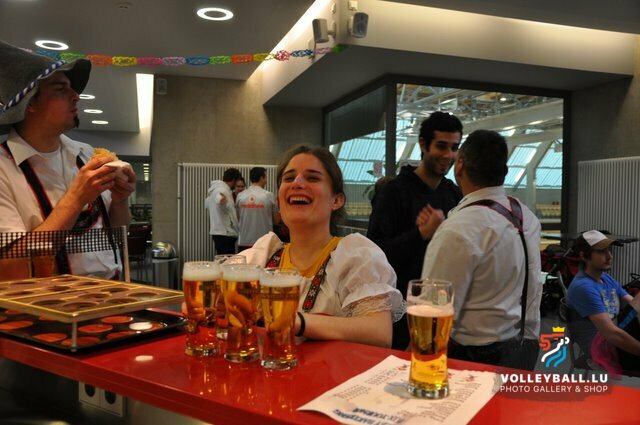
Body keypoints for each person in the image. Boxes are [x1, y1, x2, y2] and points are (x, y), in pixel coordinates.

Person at [240, 144, 403, 347]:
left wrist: (296, 321)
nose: (297, 183)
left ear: (337, 200)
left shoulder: (355, 257)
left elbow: (379, 333)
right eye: (289, 178)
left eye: (312, 178)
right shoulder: (262, 255)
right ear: (279, 201)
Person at [0, 40, 136, 278]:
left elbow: (117, 234)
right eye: (60, 89)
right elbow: (11, 268)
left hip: (113, 292)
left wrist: (120, 200)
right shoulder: (4, 168)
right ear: (29, 104)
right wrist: (76, 199)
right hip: (49, 299)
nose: (76, 96)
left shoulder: (86, 154)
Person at [422, 129, 542, 370]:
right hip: (525, 348)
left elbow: (434, 313)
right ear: (504, 171)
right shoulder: (527, 217)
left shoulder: (459, 228)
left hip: (476, 357)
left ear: (460, 166)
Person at [367, 111, 463, 349]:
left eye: (454, 147)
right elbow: (375, 255)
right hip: (400, 311)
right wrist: (421, 234)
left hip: (440, 306)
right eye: (441, 146)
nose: (448, 155)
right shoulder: (394, 192)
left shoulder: (453, 193)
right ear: (423, 144)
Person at [566, 230, 640, 364]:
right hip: (604, 349)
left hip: (617, 336)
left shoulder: (605, 278)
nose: (609, 256)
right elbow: (612, 334)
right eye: (601, 252)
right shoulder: (584, 287)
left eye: (609, 250)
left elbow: (632, 304)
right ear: (583, 256)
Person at [236, 167, 280, 251]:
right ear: (261, 178)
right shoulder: (269, 196)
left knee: (245, 260)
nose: (266, 180)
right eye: (265, 177)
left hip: (244, 241)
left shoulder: (240, 196)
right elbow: (276, 221)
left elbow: (238, 218)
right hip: (264, 243)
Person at [204, 168, 242, 255]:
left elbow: (207, 203)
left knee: (223, 259)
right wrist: (220, 200)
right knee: (227, 261)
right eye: (236, 182)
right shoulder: (222, 190)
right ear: (233, 180)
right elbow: (219, 197)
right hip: (225, 233)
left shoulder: (215, 190)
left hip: (220, 232)